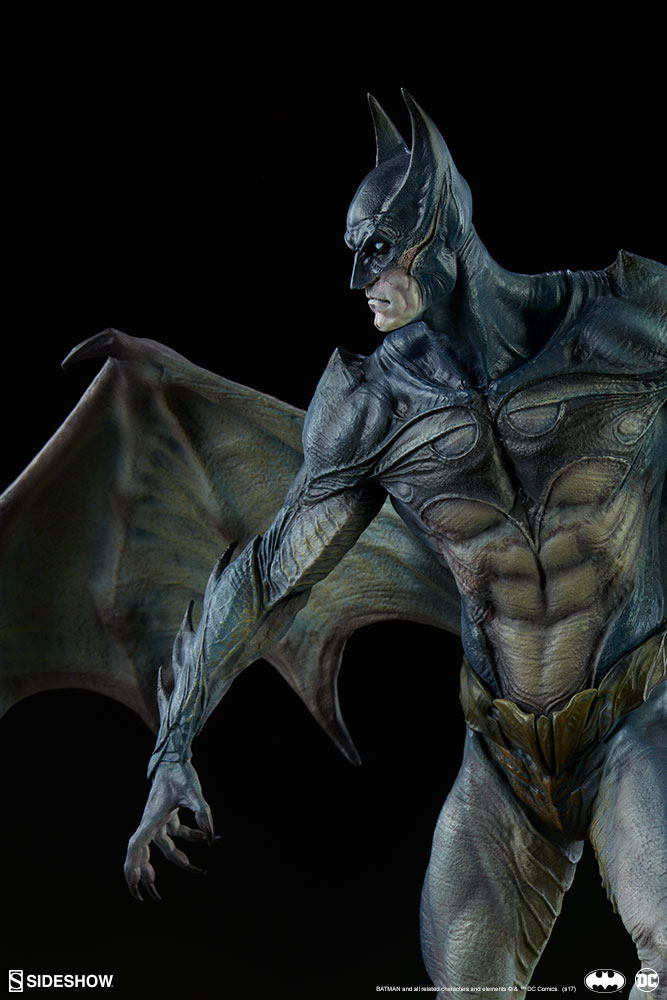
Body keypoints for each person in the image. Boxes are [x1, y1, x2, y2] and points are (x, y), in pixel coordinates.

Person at [124, 91, 667, 995]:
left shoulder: (628, 326)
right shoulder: (373, 408)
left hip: (637, 714)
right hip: (502, 757)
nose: (358, 280)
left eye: (376, 250)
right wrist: (171, 746)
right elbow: (266, 575)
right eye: (354, 253)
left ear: (440, 233)